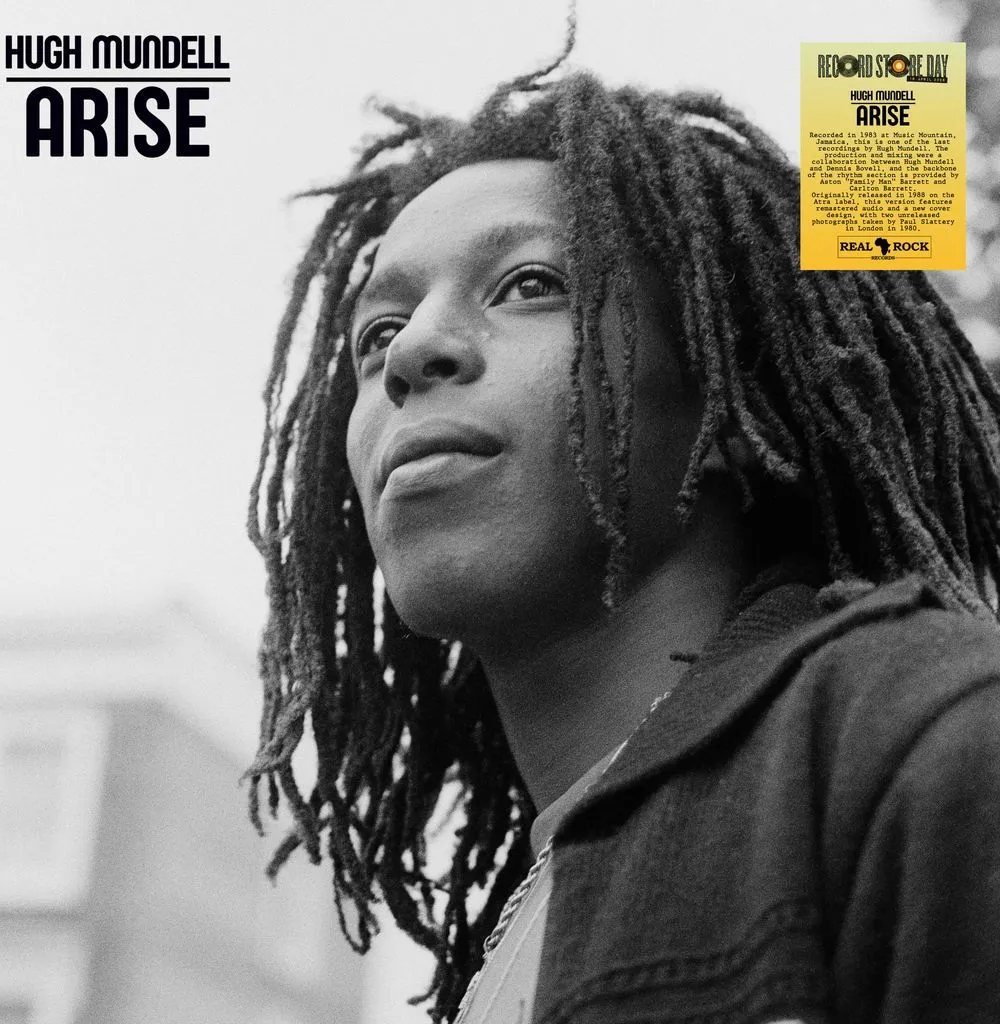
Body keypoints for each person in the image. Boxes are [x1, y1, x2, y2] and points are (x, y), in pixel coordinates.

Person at [244, 24, 1000, 1024]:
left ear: (730, 416)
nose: (412, 351)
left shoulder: (932, 740)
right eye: (377, 333)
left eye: (530, 285)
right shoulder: (514, 929)